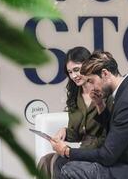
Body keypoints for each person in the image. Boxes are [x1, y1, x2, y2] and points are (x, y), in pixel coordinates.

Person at [51, 51, 128, 179]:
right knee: (60, 163)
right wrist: (100, 104)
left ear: (105, 74)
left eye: (91, 81)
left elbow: (107, 156)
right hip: (125, 162)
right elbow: (115, 130)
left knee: (71, 169)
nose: (91, 87)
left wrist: (67, 151)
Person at [37, 47, 109, 179]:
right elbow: (77, 134)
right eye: (70, 72)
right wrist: (65, 132)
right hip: (82, 151)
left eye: (76, 69)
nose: (74, 76)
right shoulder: (75, 95)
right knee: (45, 161)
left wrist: (72, 152)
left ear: (88, 65)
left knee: (57, 162)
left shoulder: (104, 93)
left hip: (99, 151)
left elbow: (108, 134)